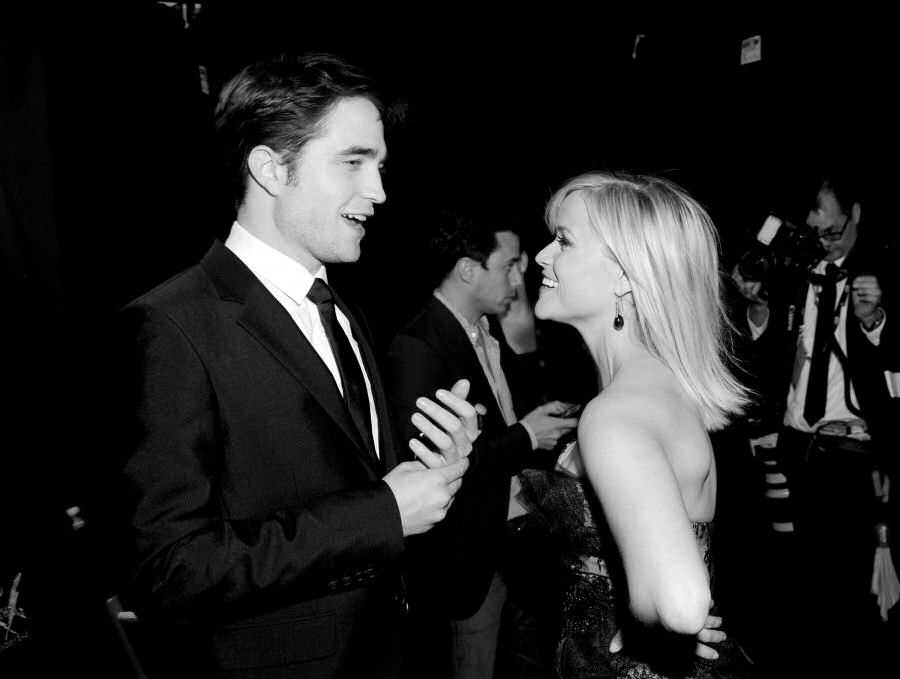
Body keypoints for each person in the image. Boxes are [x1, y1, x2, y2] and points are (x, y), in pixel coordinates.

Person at [100, 52, 479, 679]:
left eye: (380, 166)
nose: (379, 192)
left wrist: (431, 469)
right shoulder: (169, 326)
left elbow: (346, 481)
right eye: (353, 162)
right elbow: (167, 571)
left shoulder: (344, 310)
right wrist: (383, 513)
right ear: (271, 168)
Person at [518, 171, 754, 678]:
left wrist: (643, 621)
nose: (540, 255)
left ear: (625, 276)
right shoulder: (660, 386)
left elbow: (683, 602)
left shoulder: (615, 413)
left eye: (563, 240)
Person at [382, 212, 578, 679]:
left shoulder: (486, 331)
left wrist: (539, 422)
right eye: (508, 266)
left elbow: (502, 419)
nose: (518, 279)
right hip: (466, 558)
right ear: (469, 270)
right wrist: (528, 434)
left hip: (513, 540)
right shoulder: (415, 347)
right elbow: (431, 466)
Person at [730, 171, 898, 675]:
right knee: (792, 578)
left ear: (856, 214)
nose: (824, 241)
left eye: (832, 230)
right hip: (791, 446)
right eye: (815, 231)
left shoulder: (880, 273)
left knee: (846, 588)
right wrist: (757, 308)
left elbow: (893, 366)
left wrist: (874, 321)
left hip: (850, 456)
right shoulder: (796, 272)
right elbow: (766, 357)